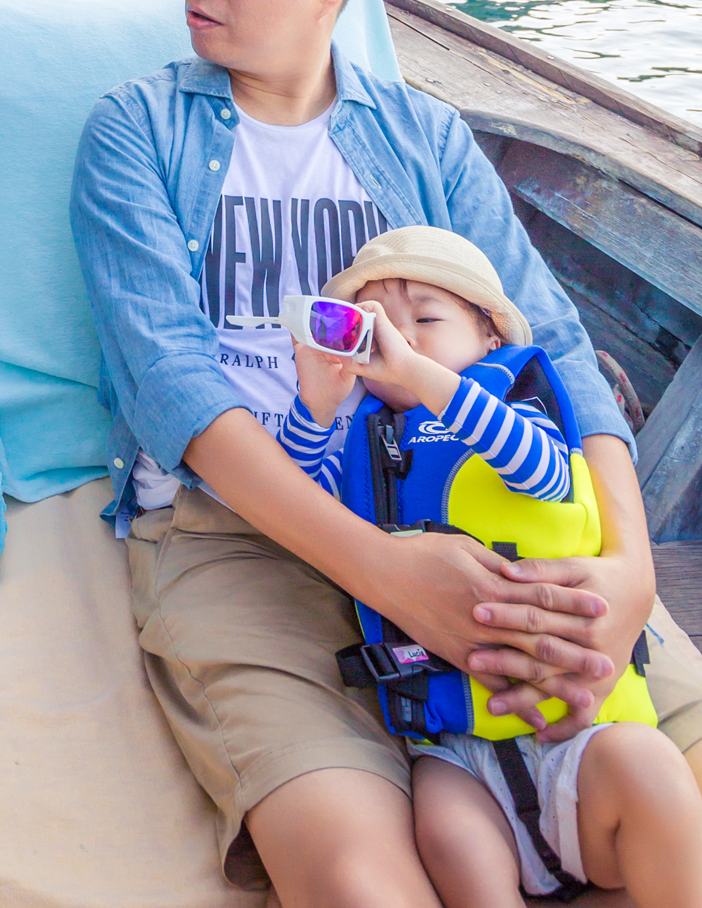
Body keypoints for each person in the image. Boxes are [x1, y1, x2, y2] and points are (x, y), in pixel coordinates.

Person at [69, 0, 702, 908]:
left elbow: (549, 346)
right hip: (245, 540)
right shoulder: (136, 132)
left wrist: (629, 572)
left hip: (478, 510)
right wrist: (386, 573)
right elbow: (172, 386)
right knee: (365, 882)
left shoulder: (425, 137)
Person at [280, 226, 702, 905]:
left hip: (583, 744)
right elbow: (299, 497)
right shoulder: (367, 438)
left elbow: (542, 472)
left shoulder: (518, 413)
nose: (403, 339)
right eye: (380, 327)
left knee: (650, 768)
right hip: (460, 756)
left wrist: (424, 378)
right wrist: (316, 406)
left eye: (426, 319)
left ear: (489, 337)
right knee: (444, 825)